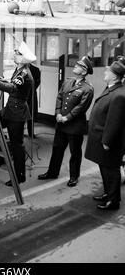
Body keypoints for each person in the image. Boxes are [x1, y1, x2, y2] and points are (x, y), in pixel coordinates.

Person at [0, 42, 35, 187]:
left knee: (17, 145)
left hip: (17, 113)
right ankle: (0, 155)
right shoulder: (19, 70)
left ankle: (19, 176)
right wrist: (2, 80)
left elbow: (13, 88)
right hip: (9, 110)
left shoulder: (24, 73)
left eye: (17, 53)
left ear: (22, 58)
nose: (14, 54)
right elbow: (15, 85)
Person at [38, 56, 94, 187]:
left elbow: (81, 108)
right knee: (57, 149)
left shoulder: (87, 89)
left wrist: (66, 117)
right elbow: (59, 97)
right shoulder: (68, 82)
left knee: (75, 152)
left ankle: (74, 176)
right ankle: (52, 172)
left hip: (74, 126)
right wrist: (57, 113)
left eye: (79, 65)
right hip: (61, 123)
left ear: (84, 71)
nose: (75, 65)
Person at [85, 58, 125, 210]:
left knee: (112, 170)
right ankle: (108, 193)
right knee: (104, 168)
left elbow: (114, 122)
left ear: (115, 76)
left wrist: (107, 141)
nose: (105, 71)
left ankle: (113, 201)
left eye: (108, 71)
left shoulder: (119, 94)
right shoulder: (111, 88)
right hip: (100, 136)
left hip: (107, 140)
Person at [27, 61, 41, 138]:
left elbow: (38, 82)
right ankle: (20, 132)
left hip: (31, 94)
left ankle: (31, 133)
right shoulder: (20, 69)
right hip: (22, 94)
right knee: (21, 113)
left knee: (31, 113)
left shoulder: (36, 69)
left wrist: (31, 89)